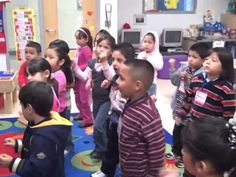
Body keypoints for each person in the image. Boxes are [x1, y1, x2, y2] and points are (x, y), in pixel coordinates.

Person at [0, 81, 72, 177]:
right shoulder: (38, 122)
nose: (21, 110)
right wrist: (18, 144)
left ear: (29, 108)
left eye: (21, 105)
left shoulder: (44, 138)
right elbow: (34, 145)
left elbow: (37, 170)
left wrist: (11, 163)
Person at [91, 42, 135, 177]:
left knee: (126, 150)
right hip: (114, 117)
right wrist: (108, 84)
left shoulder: (131, 81)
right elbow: (110, 75)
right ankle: (106, 170)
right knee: (111, 146)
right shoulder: (116, 77)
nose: (115, 63)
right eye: (114, 59)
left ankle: (124, 169)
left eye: (120, 60)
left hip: (126, 121)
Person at [117, 59, 166, 177]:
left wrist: (153, 175)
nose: (117, 82)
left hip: (140, 172)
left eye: (122, 78)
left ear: (137, 85)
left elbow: (157, 148)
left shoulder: (148, 114)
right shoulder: (131, 101)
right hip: (127, 166)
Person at [167, 42, 210, 167]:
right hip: (179, 105)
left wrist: (186, 81)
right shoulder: (185, 68)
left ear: (203, 60)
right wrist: (173, 69)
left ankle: (184, 155)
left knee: (185, 133)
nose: (190, 59)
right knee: (176, 129)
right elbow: (174, 81)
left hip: (189, 109)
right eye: (189, 56)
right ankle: (175, 152)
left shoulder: (202, 75)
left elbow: (193, 93)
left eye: (194, 57)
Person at [73, 32, 116, 160]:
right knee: (99, 127)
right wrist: (74, 68)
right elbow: (84, 76)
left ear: (112, 51)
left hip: (107, 100)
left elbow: (112, 78)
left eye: (106, 47)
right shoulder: (92, 62)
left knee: (98, 125)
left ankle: (103, 150)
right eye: (99, 46)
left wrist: (104, 63)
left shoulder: (111, 63)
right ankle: (100, 147)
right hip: (96, 100)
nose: (101, 49)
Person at [176, 47, 236, 122]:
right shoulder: (196, 79)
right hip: (193, 123)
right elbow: (188, 98)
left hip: (210, 130)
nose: (207, 62)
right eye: (206, 59)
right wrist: (181, 114)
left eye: (213, 60)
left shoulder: (226, 89)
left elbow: (228, 115)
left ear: (224, 66)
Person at [46, 39, 74, 154]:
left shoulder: (61, 74)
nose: (46, 59)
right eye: (46, 56)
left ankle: (68, 146)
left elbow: (54, 90)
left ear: (61, 61)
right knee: (57, 128)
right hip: (57, 107)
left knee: (65, 127)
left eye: (50, 57)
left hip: (63, 107)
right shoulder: (51, 71)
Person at [73, 27, 93, 128]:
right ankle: (82, 114)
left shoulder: (87, 50)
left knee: (84, 98)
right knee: (77, 96)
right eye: (76, 38)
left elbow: (89, 63)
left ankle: (88, 119)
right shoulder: (79, 49)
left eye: (80, 38)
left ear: (87, 39)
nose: (77, 40)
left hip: (83, 77)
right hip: (77, 76)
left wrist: (78, 67)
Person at [137, 31, 163, 102]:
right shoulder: (140, 54)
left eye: (150, 42)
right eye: (145, 41)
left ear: (155, 44)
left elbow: (159, 66)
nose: (146, 44)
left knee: (150, 102)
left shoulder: (157, 55)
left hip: (151, 83)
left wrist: (148, 58)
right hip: (140, 82)